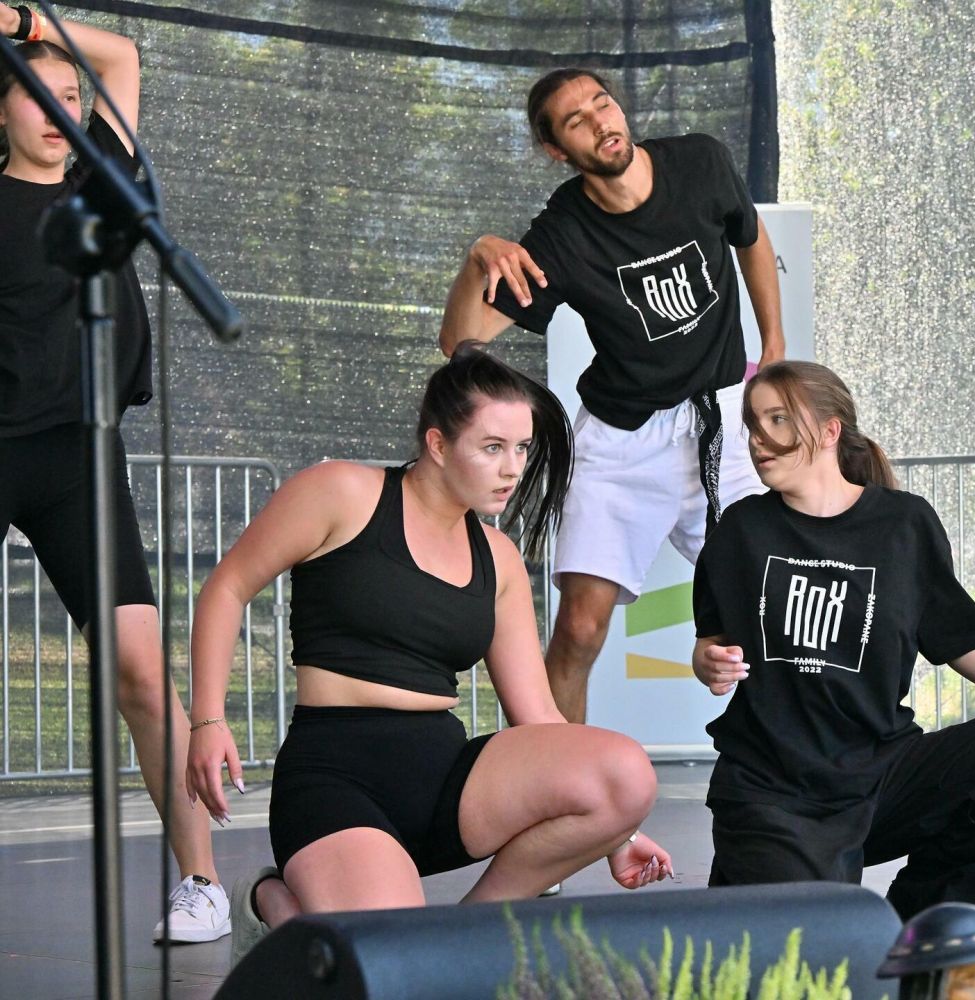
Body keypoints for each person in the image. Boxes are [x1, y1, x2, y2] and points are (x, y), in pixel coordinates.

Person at [185, 347, 673, 966]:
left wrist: (619, 833)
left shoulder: (498, 558)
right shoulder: (342, 492)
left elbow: (540, 718)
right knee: (390, 963)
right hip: (336, 776)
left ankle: (465, 933)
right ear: (438, 444)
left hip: (445, 779)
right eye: (492, 447)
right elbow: (227, 587)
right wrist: (208, 720)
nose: (512, 468)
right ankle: (272, 903)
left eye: (522, 449)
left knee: (626, 773)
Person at [439, 67, 784, 723]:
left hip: (722, 421)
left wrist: (774, 341)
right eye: (577, 121)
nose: (601, 122)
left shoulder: (701, 162)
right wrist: (478, 256)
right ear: (557, 150)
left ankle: (801, 763)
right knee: (579, 629)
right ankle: (553, 773)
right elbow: (459, 338)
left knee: (777, 599)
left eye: (603, 104)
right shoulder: (561, 234)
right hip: (623, 439)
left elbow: (750, 236)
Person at [690, 360, 975, 921]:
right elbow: (709, 642)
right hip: (773, 787)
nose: (759, 439)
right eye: (754, 424)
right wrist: (709, 664)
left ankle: (914, 932)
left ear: (830, 430)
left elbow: (954, 634)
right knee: (813, 948)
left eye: (778, 419)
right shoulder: (740, 529)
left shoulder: (905, 524)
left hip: (879, 772)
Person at [0, 5, 230, 943]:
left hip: (79, 452)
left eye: (70, 95)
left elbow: (122, 56)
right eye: (36, 94)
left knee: (140, 672)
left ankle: (202, 884)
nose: (60, 109)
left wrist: (21, 18)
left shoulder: (105, 183)